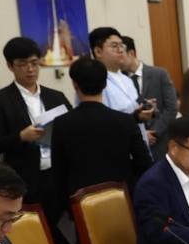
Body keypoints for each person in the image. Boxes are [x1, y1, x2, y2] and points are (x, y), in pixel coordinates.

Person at [49, 57, 152, 227]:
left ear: (75, 85)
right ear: (105, 84)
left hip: (81, 203)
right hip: (122, 200)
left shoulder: (62, 123)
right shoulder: (125, 121)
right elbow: (144, 163)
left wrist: (66, 207)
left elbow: (59, 172)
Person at [0, 37, 71, 207]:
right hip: (26, 175)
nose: (30, 69)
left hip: (57, 171)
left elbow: (72, 127)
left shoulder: (56, 96)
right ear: (10, 66)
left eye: (34, 63)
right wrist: (21, 137)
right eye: (22, 64)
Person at [89, 27, 156, 133]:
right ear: (98, 51)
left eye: (122, 45)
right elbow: (100, 120)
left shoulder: (127, 79)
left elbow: (131, 111)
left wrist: (144, 108)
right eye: (114, 46)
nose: (120, 50)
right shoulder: (93, 82)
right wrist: (136, 118)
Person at [122, 36, 178, 160]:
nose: (119, 59)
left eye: (122, 54)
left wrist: (154, 132)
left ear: (131, 53)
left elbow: (171, 108)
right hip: (136, 145)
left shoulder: (159, 74)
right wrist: (142, 134)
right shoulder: (121, 80)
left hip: (161, 141)